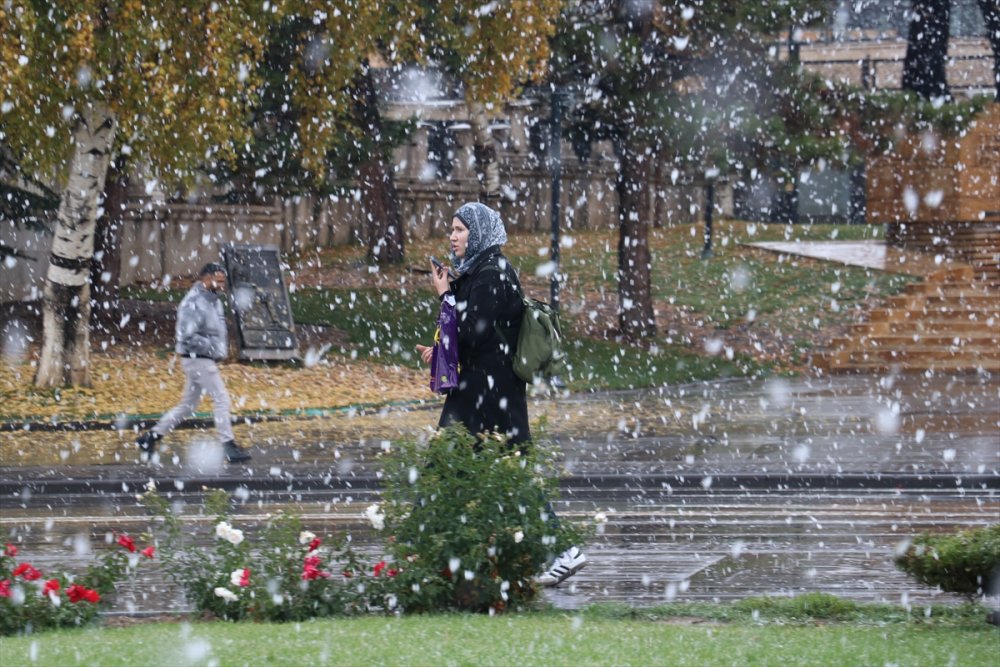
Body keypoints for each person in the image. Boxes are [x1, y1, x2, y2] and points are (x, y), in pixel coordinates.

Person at [416, 202, 585, 586]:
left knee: (454, 469)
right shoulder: (480, 271)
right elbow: (471, 334)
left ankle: (423, 559)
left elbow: (473, 332)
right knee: (482, 473)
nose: (453, 236)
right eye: (452, 229)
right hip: (482, 390)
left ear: (478, 233)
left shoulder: (494, 272)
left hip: (488, 394)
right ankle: (440, 560)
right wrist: (440, 351)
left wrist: (444, 294)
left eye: (459, 229)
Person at [135, 262, 252, 464]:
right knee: (221, 398)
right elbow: (186, 335)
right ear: (205, 278)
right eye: (219, 280)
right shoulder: (194, 302)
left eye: (224, 281)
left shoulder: (213, 300)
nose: (222, 285)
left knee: (188, 405)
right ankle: (228, 446)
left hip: (200, 359)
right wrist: (212, 348)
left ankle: (150, 437)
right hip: (198, 359)